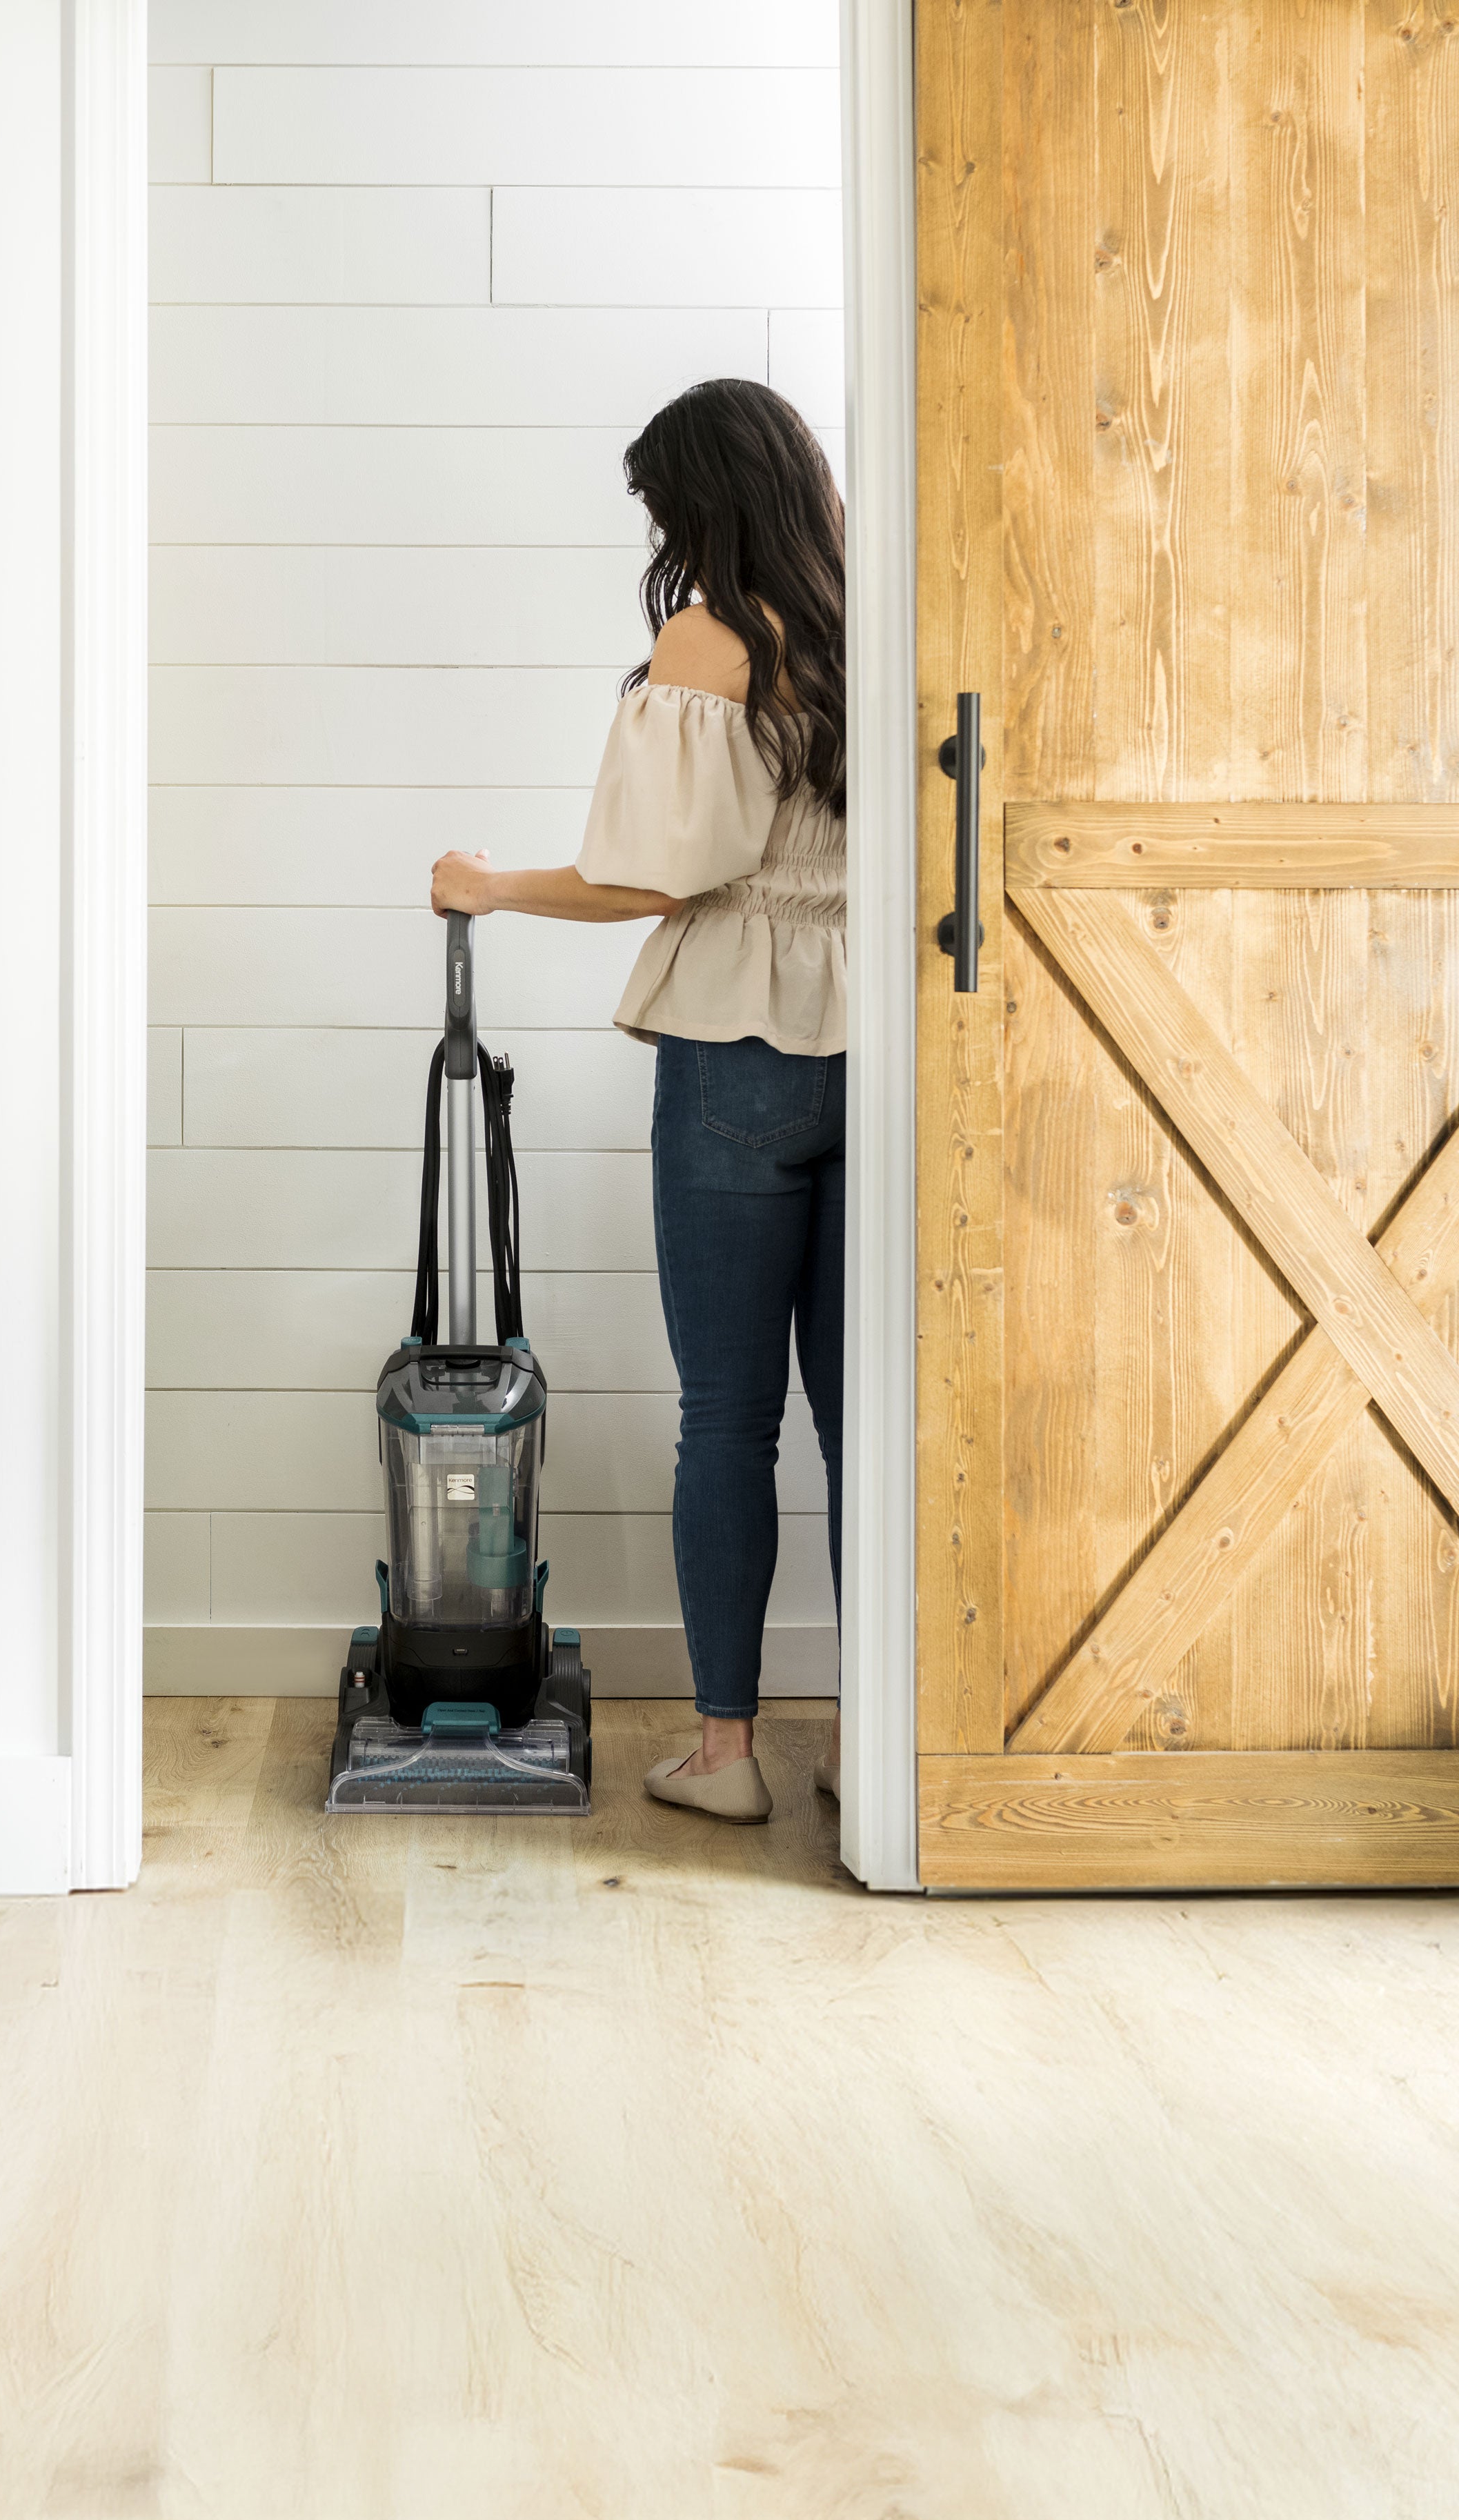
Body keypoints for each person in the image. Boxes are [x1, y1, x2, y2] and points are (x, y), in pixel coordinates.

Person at [428, 377, 845, 1825]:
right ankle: (882, 1740)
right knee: (866, 1417)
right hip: (882, 1048)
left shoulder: (707, 639)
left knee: (726, 1416)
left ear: (699, 502)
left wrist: (488, 887)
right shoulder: (879, 619)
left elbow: (652, 879)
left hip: (737, 1053)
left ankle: (726, 1756)